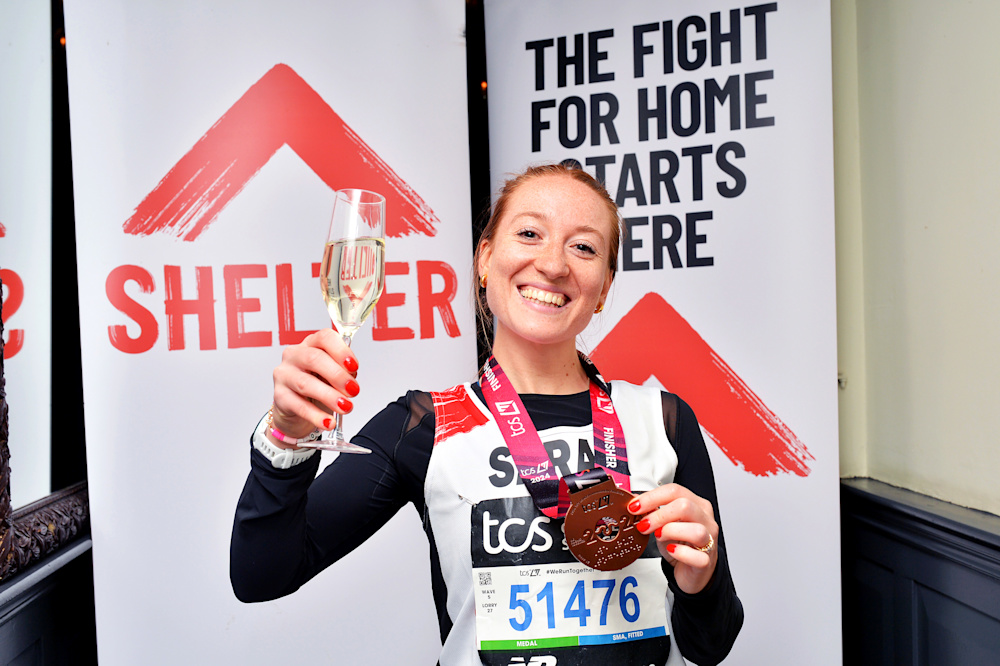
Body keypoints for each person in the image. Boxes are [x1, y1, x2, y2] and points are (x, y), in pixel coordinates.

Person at [231, 163, 743, 665]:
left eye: (583, 247)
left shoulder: (665, 419)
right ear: (485, 258)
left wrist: (703, 575)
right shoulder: (424, 426)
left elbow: (710, 646)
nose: (554, 264)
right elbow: (262, 575)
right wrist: (287, 437)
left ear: (604, 287)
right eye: (529, 233)